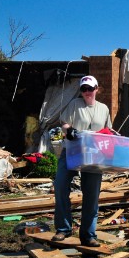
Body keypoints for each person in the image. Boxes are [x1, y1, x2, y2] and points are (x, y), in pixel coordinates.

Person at [52, 75, 111, 247]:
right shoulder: (74, 105)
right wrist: (68, 130)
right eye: (83, 89)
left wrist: (114, 136)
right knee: (61, 185)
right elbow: (64, 123)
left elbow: (107, 129)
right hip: (72, 151)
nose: (87, 92)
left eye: (90, 88)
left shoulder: (103, 108)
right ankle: (63, 229)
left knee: (92, 194)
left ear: (96, 89)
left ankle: (88, 234)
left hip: (94, 154)